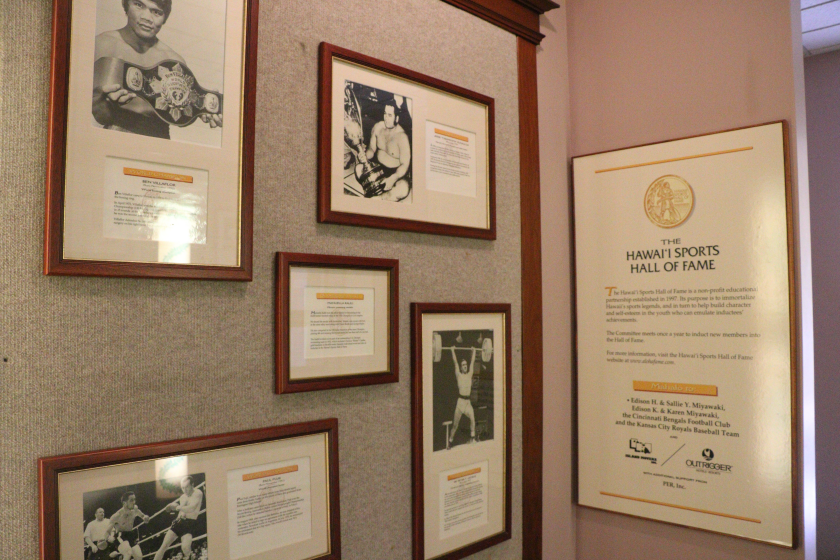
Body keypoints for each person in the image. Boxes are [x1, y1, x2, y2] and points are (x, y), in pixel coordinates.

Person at [92, 0, 222, 138]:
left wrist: (202, 110)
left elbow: (178, 114)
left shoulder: (175, 61)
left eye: (157, 12)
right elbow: (90, 113)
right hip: (115, 138)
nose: (147, 18)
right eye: (139, 5)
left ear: (165, 17)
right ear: (126, 5)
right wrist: (99, 102)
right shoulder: (101, 44)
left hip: (160, 141)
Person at [362, 99, 411, 201]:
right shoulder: (378, 127)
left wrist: (394, 178)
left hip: (395, 172)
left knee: (403, 188)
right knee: (358, 169)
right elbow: (372, 149)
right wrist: (365, 156)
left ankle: (380, 198)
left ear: (396, 118)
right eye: (385, 114)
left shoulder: (402, 137)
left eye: (390, 115)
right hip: (378, 167)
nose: (386, 118)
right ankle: (377, 190)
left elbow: (405, 165)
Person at [152, 476, 204, 560]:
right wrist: (173, 507)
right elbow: (182, 511)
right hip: (178, 522)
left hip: (189, 524)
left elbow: (191, 508)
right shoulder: (182, 497)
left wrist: (176, 507)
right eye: (183, 488)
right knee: (163, 547)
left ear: (192, 485)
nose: (185, 490)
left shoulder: (198, 493)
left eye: (187, 487)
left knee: (186, 548)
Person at [103, 491, 151, 560]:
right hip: (120, 536)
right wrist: (108, 538)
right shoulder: (117, 516)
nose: (134, 502)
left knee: (139, 557)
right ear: (124, 503)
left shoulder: (135, 509)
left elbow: (143, 516)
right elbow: (107, 532)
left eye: (134, 499)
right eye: (131, 500)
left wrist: (145, 517)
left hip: (131, 535)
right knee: (128, 553)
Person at [449, 345, 477, 447]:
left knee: (473, 418)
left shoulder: (470, 374)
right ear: (461, 367)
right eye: (463, 365)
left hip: (467, 403)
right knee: (455, 425)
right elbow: (455, 362)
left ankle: (472, 438)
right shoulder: (459, 375)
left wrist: (474, 351)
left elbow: (473, 361)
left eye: (466, 364)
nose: (465, 366)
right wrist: (452, 350)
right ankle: (450, 441)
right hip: (460, 402)